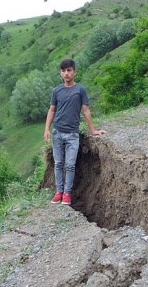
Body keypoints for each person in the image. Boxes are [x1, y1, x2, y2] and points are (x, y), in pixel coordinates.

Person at [43, 59, 106, 205]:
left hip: (72, 134)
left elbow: (85, 110)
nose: (66, 73)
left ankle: (67, 193)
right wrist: (47, 129)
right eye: (63, 71)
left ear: (75, 72)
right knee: (58, 163)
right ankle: (58, 192)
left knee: (70, 164)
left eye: (69, 70)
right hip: (57, 132)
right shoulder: (56, 90)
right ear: (60, 73)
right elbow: (52, 110)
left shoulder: (80, 90)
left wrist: (93, 130)